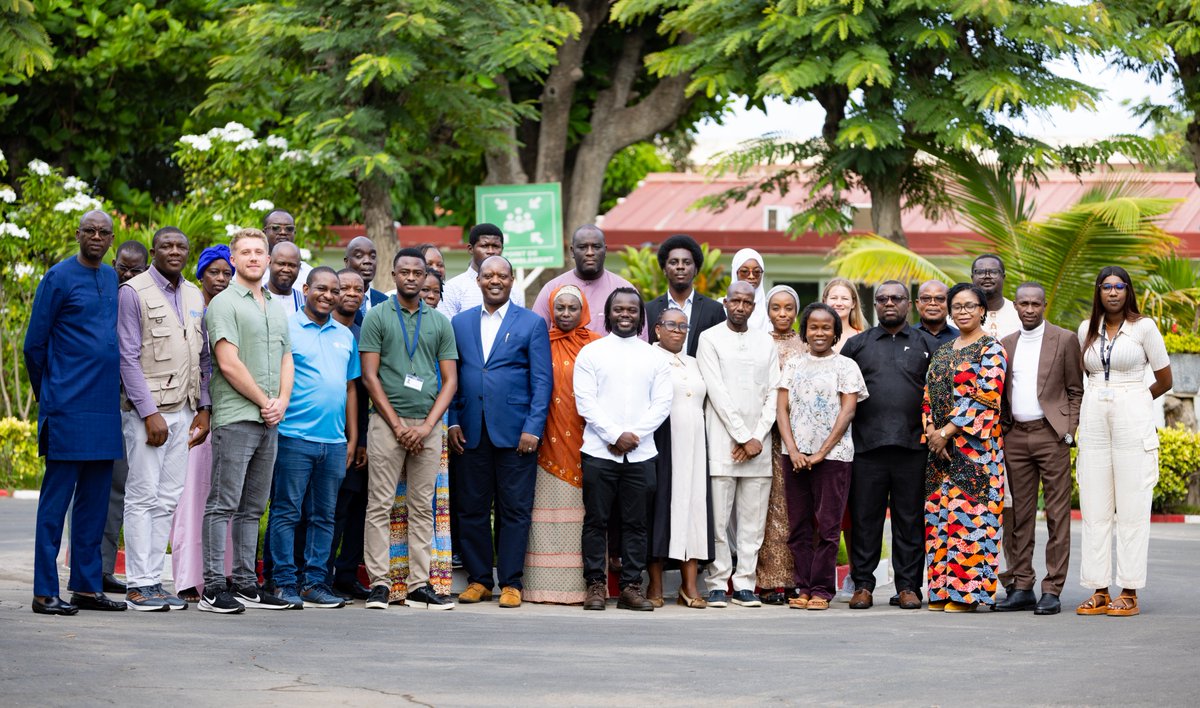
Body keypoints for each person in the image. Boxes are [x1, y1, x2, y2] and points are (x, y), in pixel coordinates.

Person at [24, 210, 127, 615]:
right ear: (78, 233)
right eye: (90, 231)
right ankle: (44, 591)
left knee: (95, 504)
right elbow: (35, 345)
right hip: (67, 406)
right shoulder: (58, 277)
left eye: (104, 232)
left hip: (104, 409)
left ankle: (86, 586)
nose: (97, 237)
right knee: (55, 505)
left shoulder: (110, 278)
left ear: (112, 238)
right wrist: (48, 392)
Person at [200, 228, 296, 614]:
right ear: (234, 260)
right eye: (246, 252)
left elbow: (287, 357)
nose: (254, 258)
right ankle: (212, 587)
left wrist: (282, 403)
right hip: (238, 415)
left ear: (268, 260)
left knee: (253, 507)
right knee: (223, 503)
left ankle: (244, 584)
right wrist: (263, 401)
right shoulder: (224, 304)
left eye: (260, 252)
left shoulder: (275, 305)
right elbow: (227, 362)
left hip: (270, 418)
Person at [450, 255, 553, 609]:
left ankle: (510, 581)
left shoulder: (531, 323)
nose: (495, 280)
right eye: (488, 275)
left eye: (502, 275)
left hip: (516, 435)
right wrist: (452, 420)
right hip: (470, 431)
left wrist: (533, 428)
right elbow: (451, 376)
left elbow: (542, 381)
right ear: (477, 280)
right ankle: (480, 580)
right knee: (471, 508)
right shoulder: (460, 323)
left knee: (514, 510)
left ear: (512, 281)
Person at [117, 227, 210, 611]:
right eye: (167, 245)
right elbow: (127, 357)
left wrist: (204, 409)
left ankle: (154, 580)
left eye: (181, 246)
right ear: (154, 250)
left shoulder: (193, 295)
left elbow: (202, 357)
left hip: (186, 411)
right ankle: (138, 585)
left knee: (168, 498)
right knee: (142, 496)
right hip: (149, 415)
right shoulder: (133, 292)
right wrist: (148, 412)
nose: (174, 251)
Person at [360, 248, 459, 610]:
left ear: (426, 275)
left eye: (419, 272)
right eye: (405, 271)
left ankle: (419, 585)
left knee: (421, 507)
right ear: (394, 274)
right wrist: (399, 425)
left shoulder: (439, 322)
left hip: (429, 427)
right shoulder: (377, 316)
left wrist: (429, 426)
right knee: (380, 505)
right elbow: (370, 377)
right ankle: (380, 584)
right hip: (387, 425)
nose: (412, 277)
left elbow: (450, 380)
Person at [1074, 266, 1172, 618]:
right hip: (1094, 413)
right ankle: (1099, 590)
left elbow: (1164, 379)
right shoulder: (1086, 329)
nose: (1113, 292)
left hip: (1132, 409)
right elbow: (1085, 373)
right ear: (1098, 292)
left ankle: (1128, 590)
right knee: (1095, 506)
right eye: (1106, 286)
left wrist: (1136, 399)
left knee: (1132, 507)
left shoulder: (1143, 328)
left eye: (1119, 286)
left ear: (1128, 291)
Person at [265, 267, 360, 610]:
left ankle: (315, 582)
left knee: (325, 515)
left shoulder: (345, 335)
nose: (328, 295)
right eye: (321, 288)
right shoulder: (285, 327)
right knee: (287, 512)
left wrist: (351, 438)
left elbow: (350, 388)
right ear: (306, 289)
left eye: (334, 290)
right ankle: (284, 582)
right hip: (292, 436)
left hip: (334, 442)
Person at [840, 281, 937, 611]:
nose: (889, 303)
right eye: (882, 299)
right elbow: (842, 393)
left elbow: (937, 395)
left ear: (908, 304)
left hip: (913, 447)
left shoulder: (927, 344)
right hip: (867, 448)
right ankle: (863, 586)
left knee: (909, 521)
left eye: (896, 298)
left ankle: (908, 586)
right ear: (875, 305)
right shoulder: (857, 345)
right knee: (865, 520)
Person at [574, 288, 673, 611]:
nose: (626, 314)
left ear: (641, 316)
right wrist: (614, 434)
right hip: (599, 452)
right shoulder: (592, 352)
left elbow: (662, 403)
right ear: (609, 313)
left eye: (632, 309)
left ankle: (631, 587)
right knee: (596, 522)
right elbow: (585, 401)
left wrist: (634, 436)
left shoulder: (654, 356)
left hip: (642, 454)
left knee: (636, 523)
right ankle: (595, 587)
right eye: (619, 309)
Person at [995, 282, 1083, 615]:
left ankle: (1053, 589)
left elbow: (1076, 390)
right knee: (1018, 516)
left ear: (1045, 305)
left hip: (1051, 436)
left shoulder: (1064, 339)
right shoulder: (1006, 345)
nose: (1029, 309)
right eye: (1023, 304)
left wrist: (1069, 432)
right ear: (1014, 307)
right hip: (1015, 437)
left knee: (1058, 516)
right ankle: (1022, 587)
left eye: (1035, 304)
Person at [923, 282, 1008, 612]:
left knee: (971, 520)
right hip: (939, 452)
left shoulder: (992, 349)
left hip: (976, 451)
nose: (962, 312)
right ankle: (942, 590)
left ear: (982, 310)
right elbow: (927, 395)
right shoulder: (944, 350)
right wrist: (932, 432)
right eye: (956, 306)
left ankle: (968, 595)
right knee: (939, 518)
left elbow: (986, 397)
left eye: (970, 306)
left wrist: (946, 432)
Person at [776, 303, 867, 611]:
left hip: (835, 457)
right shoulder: (792, 364)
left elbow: (848, 411)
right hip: (795, 458)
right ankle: (802, 587)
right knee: (799, 526)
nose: (819, 333)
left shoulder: (846, 366)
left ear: (835, 332)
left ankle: (822, 590)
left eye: (826, 327)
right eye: (813, 327)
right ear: (805, 332)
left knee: (828, 526)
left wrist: (821, 453)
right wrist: (793, 449)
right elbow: (781, 410)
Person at [697, 281, 780, 608]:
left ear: (753, 306)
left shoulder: (765, 342)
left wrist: (756, 436)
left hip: (758, 446)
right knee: (718, 521)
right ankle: (717, 583)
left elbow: (775, 392)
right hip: (723, 442)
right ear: (726, 302)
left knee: (752, 522)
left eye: (747, 302)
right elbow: (716, 391)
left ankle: (745, 583)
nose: (741, 307)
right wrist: (742, 435)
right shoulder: (710, 338)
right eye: (736, 301)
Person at [523, 286, 602, 604]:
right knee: (545, 516)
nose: (566, 313)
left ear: (582, 310)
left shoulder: (596, 346)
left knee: (585, 516)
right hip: (547, 443)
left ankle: (579, 588)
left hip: (587, 442)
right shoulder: (541, 342)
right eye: (560, 308)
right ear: (551, 311)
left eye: (573, 308)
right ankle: (540, 586)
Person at [170, 246, 234, 603]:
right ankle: (186, 578)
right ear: (201, 275)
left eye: (227, 273)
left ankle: (220, 577)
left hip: (230, 415)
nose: (221, 279)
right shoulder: (192, 309)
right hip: (196, 413)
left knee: (223, 498)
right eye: (214, 272)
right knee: (191, 497)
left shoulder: (236, 310)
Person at [646, 308, 711, 609]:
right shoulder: (646, 357)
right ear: (657, 329)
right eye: (671, 325)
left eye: (683, 326)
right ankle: (655, 584)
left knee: (694, 508)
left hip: (695, 445)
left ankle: (689, 586)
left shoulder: (695, 363)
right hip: (661, 442)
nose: (677, 330)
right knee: (659, 509)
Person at [102, 239, 150, 593]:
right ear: (113, 262)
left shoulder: (142, 298)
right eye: (124, 267)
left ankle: (104, 570)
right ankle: (90, 569)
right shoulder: (103, 289)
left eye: (137, 269)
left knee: (120, 490)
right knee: (94, 490)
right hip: (97, 403)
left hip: (131, 404)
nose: (129, 274)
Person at [755, 285, 807, 604]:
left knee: (798, 509)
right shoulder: (761, 343)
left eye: (789, 308)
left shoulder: (806, 343)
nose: (783, 314)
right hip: (768, 438)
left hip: (801, 438)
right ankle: (771, 581)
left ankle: (799, 579)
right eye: (776, 308)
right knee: (770, 510)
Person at [327, 268, 372, 600]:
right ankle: (319, 573)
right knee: (332, 509)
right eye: (345, 288)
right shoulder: (322, 330)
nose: (352, 294)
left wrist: (362, 441)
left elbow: (365, 391)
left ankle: (345, 574)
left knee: (358, 509)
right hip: (328, 433)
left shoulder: (363, 333)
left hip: (362, 435)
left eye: (359, 289)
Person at [531, 225, 639, 335]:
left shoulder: (624, 290)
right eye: (582, 247)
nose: (590, 252)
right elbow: (535, 335)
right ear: (572, 251)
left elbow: (640, 339)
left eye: (596, 247)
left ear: (605, 250)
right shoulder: (552, 289)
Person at [645, 234, 726, 356]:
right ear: (664, 270)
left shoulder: (714, 310)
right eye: (673, 262)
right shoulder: (648, 310)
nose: (680, 267)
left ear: (696, 270)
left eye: (687, 262)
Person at [440, 223, 525, 318]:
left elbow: (520, 327)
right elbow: (448, 330)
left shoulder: (514, 289)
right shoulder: (453, 288)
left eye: (496, 246)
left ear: (502, 249)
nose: (491, 251)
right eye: (484, 246)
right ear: (470, 249)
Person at [972, 253, 1021, 339]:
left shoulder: (1019, 313)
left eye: (994, 272)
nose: (987, 276)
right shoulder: (960, 315)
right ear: (972, 278)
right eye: (980, 272)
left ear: (1003, 277)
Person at [344, 236, 388, 325]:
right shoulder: (334, 299)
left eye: (373, 256)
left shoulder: (385, 302)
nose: (368, 261)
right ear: (346, 262)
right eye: (359, 256)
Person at [262, 208, 312, 284]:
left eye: (289, 228)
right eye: (276, 228)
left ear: (294, 232)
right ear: (264, 232)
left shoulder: (308, 274)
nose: (283, 232)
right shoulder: (254, 270)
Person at [726, 248, 771, 331]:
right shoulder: (722, 306)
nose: (751, 276)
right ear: (735, 273)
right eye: (744, 271)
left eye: (756, 272)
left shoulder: (770, 307)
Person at [822, 277, 865, 352]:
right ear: (825, 301)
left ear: (853, 303)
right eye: (834, 298)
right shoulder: (814, 335)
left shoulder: (863, 338)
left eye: (844, 298)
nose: (839, 303)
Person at [266, 241, 304, 316]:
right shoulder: (255, 298)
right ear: (270, 263)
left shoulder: (305, 302)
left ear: (299, 267)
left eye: (292, 265)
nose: (286, 270)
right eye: (281, 264)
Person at [916, 279, 958, 345]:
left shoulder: (961, 337)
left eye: (940, 298)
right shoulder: (905, 338)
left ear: (949, 304)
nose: (933, 303)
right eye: (926, 299)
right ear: (917, 304)